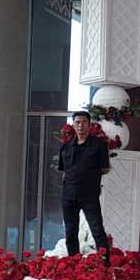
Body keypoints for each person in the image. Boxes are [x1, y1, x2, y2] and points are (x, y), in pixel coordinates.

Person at [58, 109, 111, 257]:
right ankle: (73, 262)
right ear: (73, 125)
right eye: (77, 122)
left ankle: (105, 264)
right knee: (70, 231)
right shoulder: (65, 146)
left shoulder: (99, 145)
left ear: (89, 125)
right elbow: (64, 169)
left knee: (97, 230)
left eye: (84, 122)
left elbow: (104, 168)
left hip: (89, 195)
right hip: (69, 195)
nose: (80, 125)